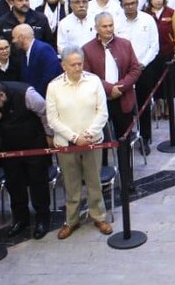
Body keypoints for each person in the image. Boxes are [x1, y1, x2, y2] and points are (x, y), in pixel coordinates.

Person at [46, 46, 112, 240]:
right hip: (66, 144)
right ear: (63, 65)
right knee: (71, 184)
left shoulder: (93, 81)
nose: (77, 68)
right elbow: (53, 119)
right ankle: (72, 220)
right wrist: (75, 137)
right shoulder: (54, 86)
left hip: (92, 141)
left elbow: (103, 112)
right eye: (72, 64)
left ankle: (98, 216)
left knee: (94, 181)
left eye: (80, 64)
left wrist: (89, 134)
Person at [0, 80, 53, 239]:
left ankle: (42, 219)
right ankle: (20, 219)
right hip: (9, 147)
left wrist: (49, 135)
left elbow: (45, 112)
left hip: (33, 144)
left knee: (38, 182)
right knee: (14, 184)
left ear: (2, 95)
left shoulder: (26, 94)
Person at [81, 12, 142, 140]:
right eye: (104, 26)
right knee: (101, 141)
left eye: (111, 25)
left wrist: (120, 87)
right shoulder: (87, 49)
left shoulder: (125, 44)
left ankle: (125, 160)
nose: (109, 29)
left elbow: (135, 69)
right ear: (96, 28)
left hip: (123, 97)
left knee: (124, 139)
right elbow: (87, 75)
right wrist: (110, 88)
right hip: (99, 100)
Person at [115, 0, 159, 154]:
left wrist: (142, 64)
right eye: (127, 4)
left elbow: (154, 46)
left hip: (144, 69)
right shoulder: (117, 22)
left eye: (133, 3)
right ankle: (126, 137)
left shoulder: (147, 20)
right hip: (123, 71)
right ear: (121, 5)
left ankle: (145, 138)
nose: (131, 6)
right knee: (124, 105)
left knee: (143, 105)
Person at [11, 23, 62, 99]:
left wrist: (36, 97)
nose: (13, 41)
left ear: (21, 37)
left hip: (45, 98)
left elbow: (50, 75)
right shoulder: (23, 54)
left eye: (14, 38)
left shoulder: (44, 49)